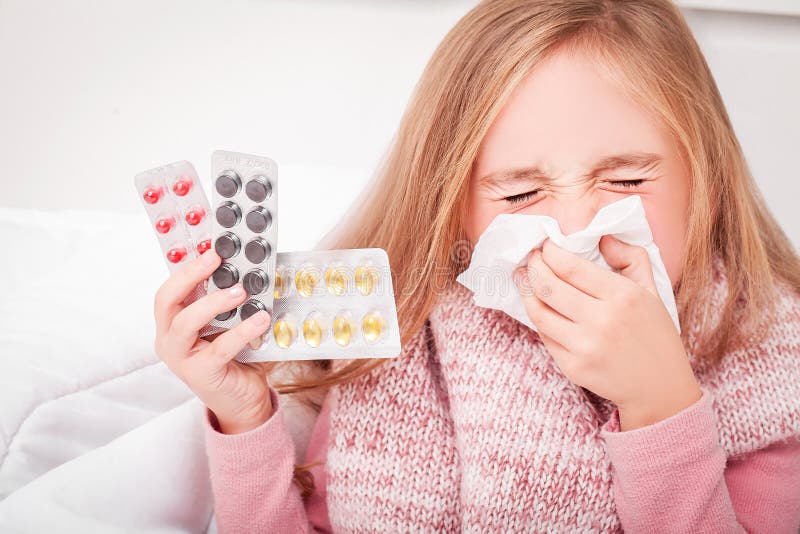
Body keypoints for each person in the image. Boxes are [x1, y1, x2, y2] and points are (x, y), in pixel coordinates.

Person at [153, 0, 800, 531]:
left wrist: (662, 407)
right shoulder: (397, 345)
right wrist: (244, 419)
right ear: (453, 206)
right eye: (520, 195)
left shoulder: (772, 365)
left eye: (627, 180)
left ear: (706, 182)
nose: (573, 228)